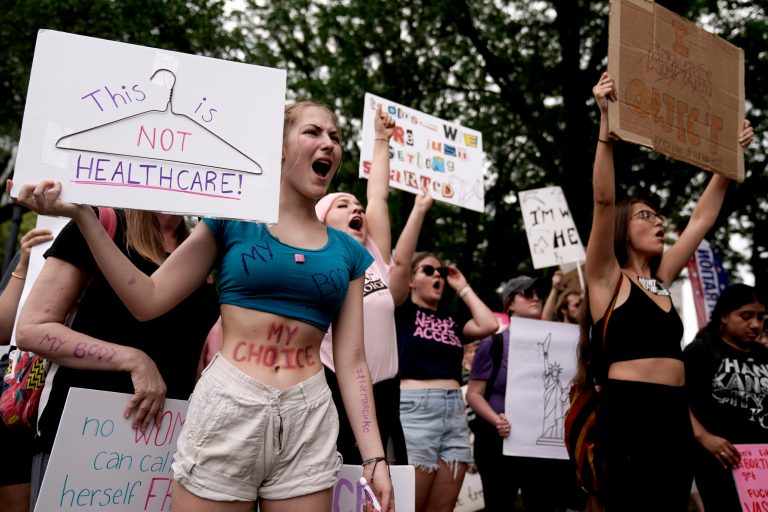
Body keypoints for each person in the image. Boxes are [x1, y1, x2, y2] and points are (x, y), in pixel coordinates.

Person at [13, 101, 395, 512]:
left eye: (335, 137)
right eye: (313, 132)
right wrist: (83, 217)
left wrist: (374, 456)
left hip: (310, 415)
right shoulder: (230, 223)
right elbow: (148, 299)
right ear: (279, 147)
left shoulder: (349, 253)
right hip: (230, 405)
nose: (329, 143)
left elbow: (352, 361)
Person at [577, 71, 753, 511]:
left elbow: (701, 220)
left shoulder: (662, 277)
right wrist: (606, 123)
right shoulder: (605, 277)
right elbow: (603, 201)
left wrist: (728, 161)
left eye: (658, 216)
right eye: (645, 216)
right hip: (629, 414)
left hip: (674, 413)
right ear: (623, 229)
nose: (658, 222)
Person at [15, 210, 219, 508]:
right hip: (80, 446)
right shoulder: (99, 225)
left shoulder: (203, 250)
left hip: (159, 455)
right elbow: (32, 330)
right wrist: (133, 360)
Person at [315, 105, 432, 465]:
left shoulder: (373, 255)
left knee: (387, 481)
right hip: (336, 388)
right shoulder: (315, 260)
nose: (357, 209)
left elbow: (378, 196)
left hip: (386, 392)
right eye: (343, 205)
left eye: (357, 206)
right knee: (340, 476)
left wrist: (382, 139)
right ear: (322, 220)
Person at [467, 275, 585, 511]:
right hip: (498, 443)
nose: (536, 298)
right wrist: (496, 420)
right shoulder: (494, 343)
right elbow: (474, 394)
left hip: (537, 447)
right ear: (510, 304)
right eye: (527, 294)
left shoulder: (558, 343)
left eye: (538, 293)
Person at [396, 251, 498, 512]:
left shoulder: (451, 320)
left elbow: (489, 325)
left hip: (454, 415)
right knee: (408, 508)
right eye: (428, 271)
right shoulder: (400, 313)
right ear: (410, 280)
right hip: (415, 413)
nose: (438, 276)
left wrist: (462, 287)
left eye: (441, 272)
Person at [684, 284, 767, 511]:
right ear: (724, 316)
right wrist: (704, 437)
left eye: (761, 317)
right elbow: (676, 400)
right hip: (719, 463)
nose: (756, 325)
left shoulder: (764, 356)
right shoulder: (700, 352)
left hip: (761, 466)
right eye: (746, 316)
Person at [0, 227, 53, 512]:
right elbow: (2, 330)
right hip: (18, 402)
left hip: (71, 398)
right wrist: (23, 264)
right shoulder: (45, 237)